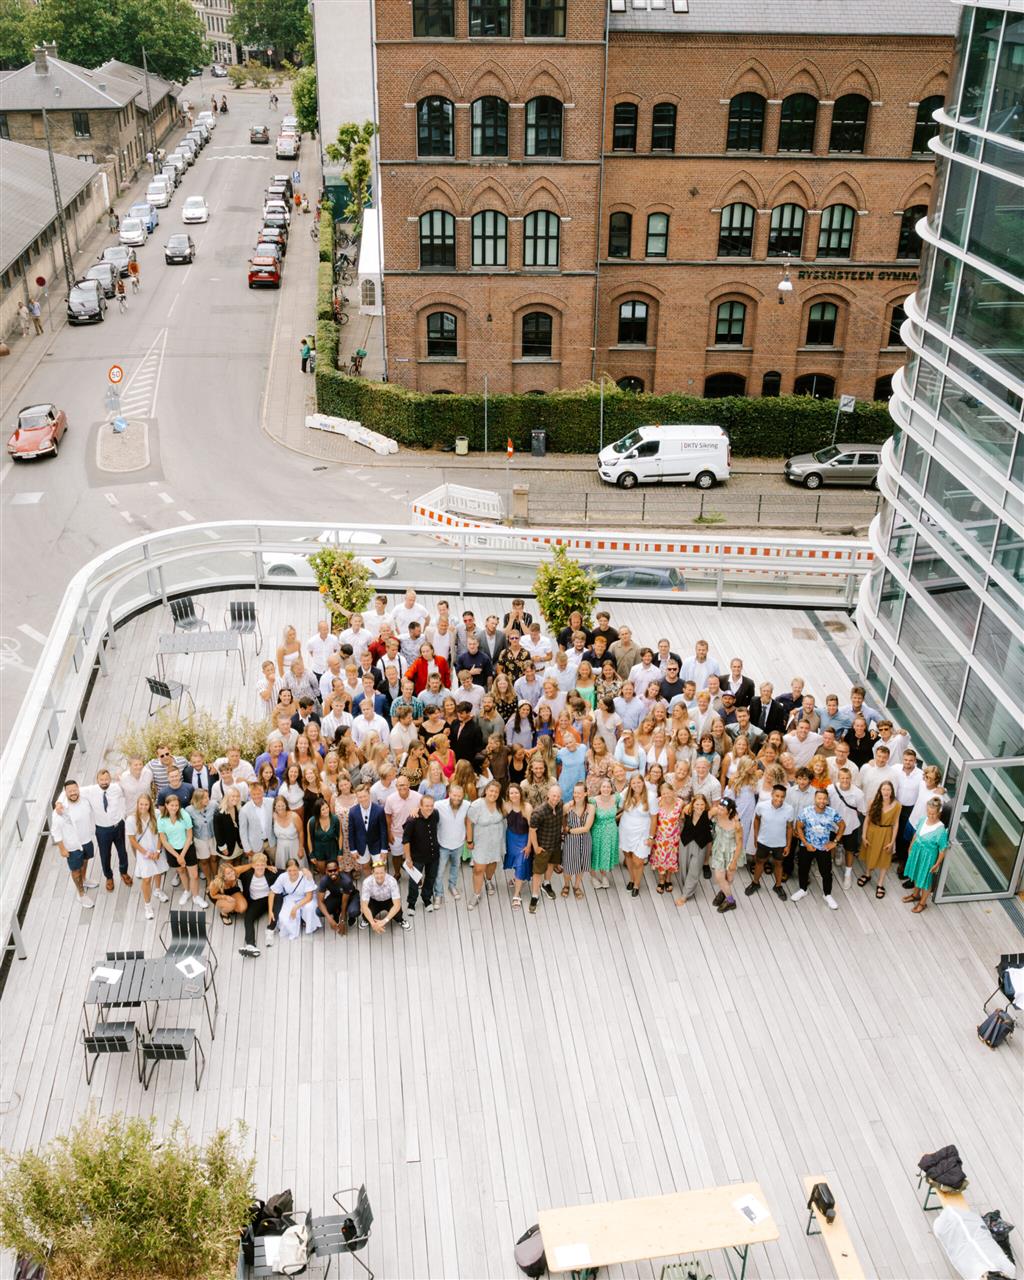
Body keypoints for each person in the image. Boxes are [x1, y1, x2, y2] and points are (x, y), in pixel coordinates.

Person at [793, 788, 844, 910]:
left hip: (824, 848)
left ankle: (827, 895)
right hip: (807, 846)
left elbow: (842, 825)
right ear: (815, 799)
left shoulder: (832, 812)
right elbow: (798, 827)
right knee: (803, 869)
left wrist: (835, 842)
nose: (822, 801)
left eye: (824, 799)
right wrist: (805, 843)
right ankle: (803, 889)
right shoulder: (806, 811)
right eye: (819, 798)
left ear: (827, 800)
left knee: (826, 873)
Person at [747, 784, 794, 900]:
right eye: (777, 796)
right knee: (759, 862)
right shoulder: (761, 806)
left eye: (782, 797)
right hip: (763, 841)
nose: (779, 799)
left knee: (778, 864)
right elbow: (757, 819)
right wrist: (755, 836)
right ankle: (755, 883)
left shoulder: (789, 809)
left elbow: (789, 828)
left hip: (780, 844)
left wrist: (788, 845)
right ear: (772, 794)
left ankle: (778, 886)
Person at [902, 797, 948, 913]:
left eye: (933, 814)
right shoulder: (923, 819)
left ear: (938, 813)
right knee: (917, 874)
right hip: (917, 852)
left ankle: (922, 903)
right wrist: (911, 846)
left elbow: (942, 849)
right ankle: (915, 895)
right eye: (929, 812)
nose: (930, 815)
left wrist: (937, 864)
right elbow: (916, 834)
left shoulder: (940, 829)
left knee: (925, 880)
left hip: (928, 857)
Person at [126, 794, 169, 919]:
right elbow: (132, 840)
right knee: (146, 879)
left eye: (146, 804)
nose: (143, 807)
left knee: (158, 872)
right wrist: (146, 853)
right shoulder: (131, 820)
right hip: (143, 852)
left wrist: (158, 850)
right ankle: (147, 905)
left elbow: (161, 833)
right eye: (141, 804)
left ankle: (158, 890)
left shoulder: (157, 813)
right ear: (137, 804)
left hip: (157, 849)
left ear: (150, 804)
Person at [466, 779, 506, 909]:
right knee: (478, 869)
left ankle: (488, 881)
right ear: (486, 791)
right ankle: (476, 894)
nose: (493, 794)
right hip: (481, 841)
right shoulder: (477, 805)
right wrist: (469, 840)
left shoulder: (501, 803)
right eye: (491, 791)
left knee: (492, 863)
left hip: (496, 839)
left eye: (496, 792)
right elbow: (469, 822)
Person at [859, 779, 900, 897]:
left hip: (886, 833)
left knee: (884, 858)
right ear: (880, 791)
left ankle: (880, 884)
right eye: (884, 789)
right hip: (872, 831)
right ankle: (867, 874)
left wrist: (892, 841)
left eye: (888, 789)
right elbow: (867, 820)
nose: (886, 792)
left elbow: (896, 824)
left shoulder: (897, 805)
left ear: (892, 791)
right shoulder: (873, 802)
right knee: (870, 854)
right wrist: (864, 835)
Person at [527, 783, 564, 911]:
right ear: (548, 795)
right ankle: (535, 895)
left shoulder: (560, 805)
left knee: (551, 864)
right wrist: (536, 847)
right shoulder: (539, 812)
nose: (556, 798)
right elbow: (532, 831)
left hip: (556, 844)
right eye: (553, 795)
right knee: (538, 872)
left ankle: (546, 884)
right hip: (543, 847)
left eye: (558, 796)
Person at [402, 793, 440, 914]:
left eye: (431, 805)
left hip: (433, 855)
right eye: (427, 806)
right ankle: (411, 903)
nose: (429, 808)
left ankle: (426, 899)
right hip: (417, 857)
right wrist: (408, 858)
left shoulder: (435, 814)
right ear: (420, 806)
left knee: (430, 878)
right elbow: (406, 840)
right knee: (414, 881)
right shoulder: (412, 820)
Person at [269, 859, 321, 941]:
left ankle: (310, 924)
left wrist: (295, 908)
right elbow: (272, 892)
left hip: (305, 898)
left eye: (295, 870)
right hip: (290, 898)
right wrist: (270, 911)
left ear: (298, 868)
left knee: (309, 908)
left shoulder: (305, 876)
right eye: (289, 870)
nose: (292, 873)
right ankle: (297, 922)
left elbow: (309, 897)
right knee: (283, 918)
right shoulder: (283, 877)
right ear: (286, 869)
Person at [618, 775, 651, 898]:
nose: (636, 785)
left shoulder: (650, 796)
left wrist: (651, 837)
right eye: (633, 783)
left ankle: (637, 884)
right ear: (630, 784)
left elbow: (654, 817)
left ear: (643, 782)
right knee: (628, 856)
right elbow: (616, 803)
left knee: (638, 861)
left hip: (642, 832)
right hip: (626, 830)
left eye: (639, 782)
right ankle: (632, 879)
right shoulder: (626, 793)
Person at [677, 793, 712, 906]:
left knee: (694, 869)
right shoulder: (687, 811)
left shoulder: (708, 814)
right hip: (685, 843)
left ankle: (685, 895)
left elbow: (720, 809)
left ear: (705, 805)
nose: (699, 807)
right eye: (697, 804)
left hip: (700, 845)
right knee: (684, 867)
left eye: (702, 804)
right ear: (693, 804)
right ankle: (686, 887)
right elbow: (680, 821)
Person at [709, 797, 743, 914]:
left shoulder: (736, 825)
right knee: (719, 877)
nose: (719, 810)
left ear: (730, 811)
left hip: (731, 852)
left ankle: (724, 894)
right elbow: (708, 814)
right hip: (719, 850)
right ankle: (730, 900)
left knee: (729, 878)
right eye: (719, 808)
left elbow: (739, 844)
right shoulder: (716, 813)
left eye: (722, 809)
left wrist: (734, 862)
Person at [650, 781, 683, 896]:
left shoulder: (680, 803)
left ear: (673, 792)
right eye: (663, 793)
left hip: (674, 838)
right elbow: (652, 819)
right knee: (661, 858)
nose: (666, 795)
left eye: (668, 792)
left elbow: (684, 815)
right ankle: (661, 880)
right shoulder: (657, 802)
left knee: (672, 858)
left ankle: (668, 879)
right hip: (660, 837)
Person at [561, 781, 594, 898]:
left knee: (581, 864)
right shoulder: (567, 806)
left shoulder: (590, 807)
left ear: (585, 793)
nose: (576, 795)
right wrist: (564, 827)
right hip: (570, 841)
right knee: (568, 865)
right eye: (575, 792)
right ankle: (566, 885)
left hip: (585, 840)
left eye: (579, 793)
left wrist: (569, 830)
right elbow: (561, 818)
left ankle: (576, 886)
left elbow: (586, 828)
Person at [238, 852, 275, 956]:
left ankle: (269, 933)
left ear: (266, 865)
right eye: (257, 865)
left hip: (269, 898)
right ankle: (250, 945)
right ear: (253, 865)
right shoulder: (247, 874)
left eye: (262, 864)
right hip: (254, 901)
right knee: (248, 918)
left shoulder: (271, 873)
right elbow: (233, 871)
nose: (260, 867)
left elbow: (288, 871)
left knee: (274, 913)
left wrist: (304, 871)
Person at [359, 858, 411, 932]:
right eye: (377, 873)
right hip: (374, 901)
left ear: (385, 872)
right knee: (365, 916)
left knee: (398, 915)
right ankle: (367, 921)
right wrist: (373, 923)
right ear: (372, 872)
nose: (379, 876)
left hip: (389, 900)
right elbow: (364, 906)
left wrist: (384, 921)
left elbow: (397, 905)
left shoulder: (392, 881)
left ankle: (401, 920)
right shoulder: (367, 882)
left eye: (381, 872)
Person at [588, 777, 620, 890]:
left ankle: (604, 875)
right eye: (603, 787)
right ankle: (593, 876)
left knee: (605, 854)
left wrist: (620, 816)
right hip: (597, 831)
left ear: (611, 788)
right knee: (595, 854)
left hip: (611, 831)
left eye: (608, 787)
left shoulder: (616, 798)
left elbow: (626, 807)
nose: (606, 789)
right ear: (600, 788)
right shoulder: (593, 801)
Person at [208, 862, 247, 926]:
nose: (232, 874)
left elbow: (250, 865)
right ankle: (224, 913)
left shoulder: (236, 871)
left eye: (232, 871)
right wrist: (225, 897)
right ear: (224, 876)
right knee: (231, 904)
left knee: (242, 908)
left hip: (231, 891)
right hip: (219, 896)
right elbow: (213, 895)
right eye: (228, 873)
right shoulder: (216, 883)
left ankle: (231, 908)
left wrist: (262, 865)